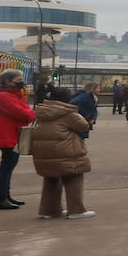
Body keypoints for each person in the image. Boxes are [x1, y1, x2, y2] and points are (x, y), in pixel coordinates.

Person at [30, 88, 94, 219]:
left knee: (51, 179)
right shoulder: (68, 113)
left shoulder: (41, 110)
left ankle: (49, 210)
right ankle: (76, 210)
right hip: (65, 151)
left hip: (44, 152)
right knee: (73, 177)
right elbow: (83, 126)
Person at [0, 69, 35, 208]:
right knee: (7, 166)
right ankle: (1, 198)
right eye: (18, 80)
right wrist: (30, 114)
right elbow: (23, 113)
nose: (21, 82)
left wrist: (29, 113)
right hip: (7, 134)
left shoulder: (12, 94)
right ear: (7, 81)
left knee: (9, 166)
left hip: (12, 133)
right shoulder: (3, 96)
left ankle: (5, 196)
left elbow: (25, 110)